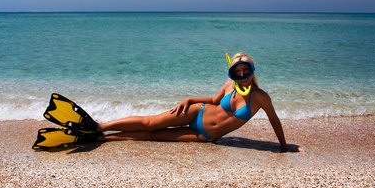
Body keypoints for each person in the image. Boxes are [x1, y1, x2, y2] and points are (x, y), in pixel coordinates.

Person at [94, 52, 301, 152]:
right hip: (198, 112)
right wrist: (190, 99)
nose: (242, 74)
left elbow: (274, 120)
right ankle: (99, 127)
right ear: (232, 72)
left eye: (245, 70)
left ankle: (104, 139)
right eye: (237, 71)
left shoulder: (260, 97)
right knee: (151, 123)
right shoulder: (230, 84)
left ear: (252, 70)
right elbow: (213, 100)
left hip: (204, 135)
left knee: (154, 135)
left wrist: (284, 146)